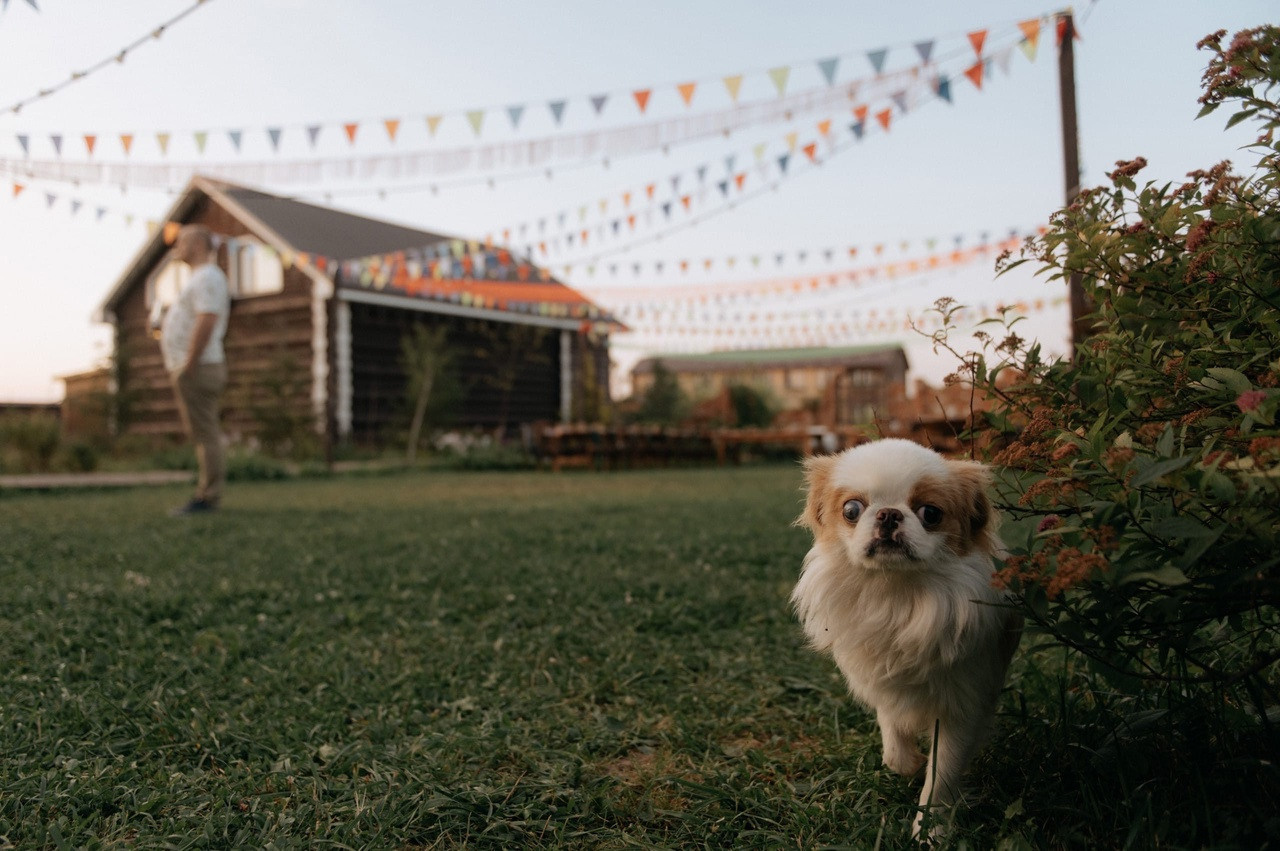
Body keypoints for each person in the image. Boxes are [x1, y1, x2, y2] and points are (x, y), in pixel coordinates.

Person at [160, 224, 230, 515]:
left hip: (198, 366)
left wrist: (189, 362)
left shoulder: (207, 277)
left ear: (199, 245)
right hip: (195, 366)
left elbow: (207, 318)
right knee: (203, 433)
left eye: (183, 241)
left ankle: (208, 496)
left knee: (205, 433)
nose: (177, 245)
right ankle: (207, 493)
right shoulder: (199, 279)